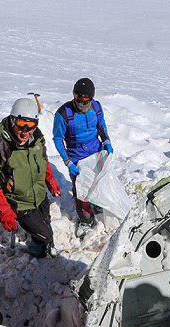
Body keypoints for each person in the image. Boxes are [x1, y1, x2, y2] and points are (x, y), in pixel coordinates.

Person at [0, 98, 61, 258]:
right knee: (45, 234)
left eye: (30, 125)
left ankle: (39, 252)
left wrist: (49, 179)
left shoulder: (36, 137)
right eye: (21, 124)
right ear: (12, 120)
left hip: (39, 194)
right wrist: (5, 211)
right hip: (20, 202)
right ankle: (36, 251)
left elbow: (42, 159)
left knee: (46, 226)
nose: (25, 131)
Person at [53, 78, 113, 226]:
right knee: (81, 191)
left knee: (99, 181)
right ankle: (85, 220)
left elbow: (101, 126)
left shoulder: (96, 108)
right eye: (79, 100)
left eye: (86, 101)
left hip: (95, 151)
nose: (82, 105)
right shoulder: (64, 114)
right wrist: (68, 162)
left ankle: (99, 205)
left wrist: (107, 141)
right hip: (76, 156)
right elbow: (58, 139)